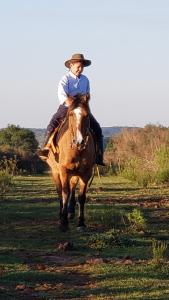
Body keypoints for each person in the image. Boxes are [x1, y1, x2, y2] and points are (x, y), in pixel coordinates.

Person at [39, 53, 105, 166]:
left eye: (82, 67)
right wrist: (73, 103)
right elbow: (62, 95)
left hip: (81, 108)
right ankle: (46, 148)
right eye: (78, 67)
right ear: (71, 65)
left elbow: (86, 95)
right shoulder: (65, 79)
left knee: (97, 128)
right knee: (52, 123)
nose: (80, 69)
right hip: (67, 107)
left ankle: (99, 155)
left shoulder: (85, 80)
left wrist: (83, 104)